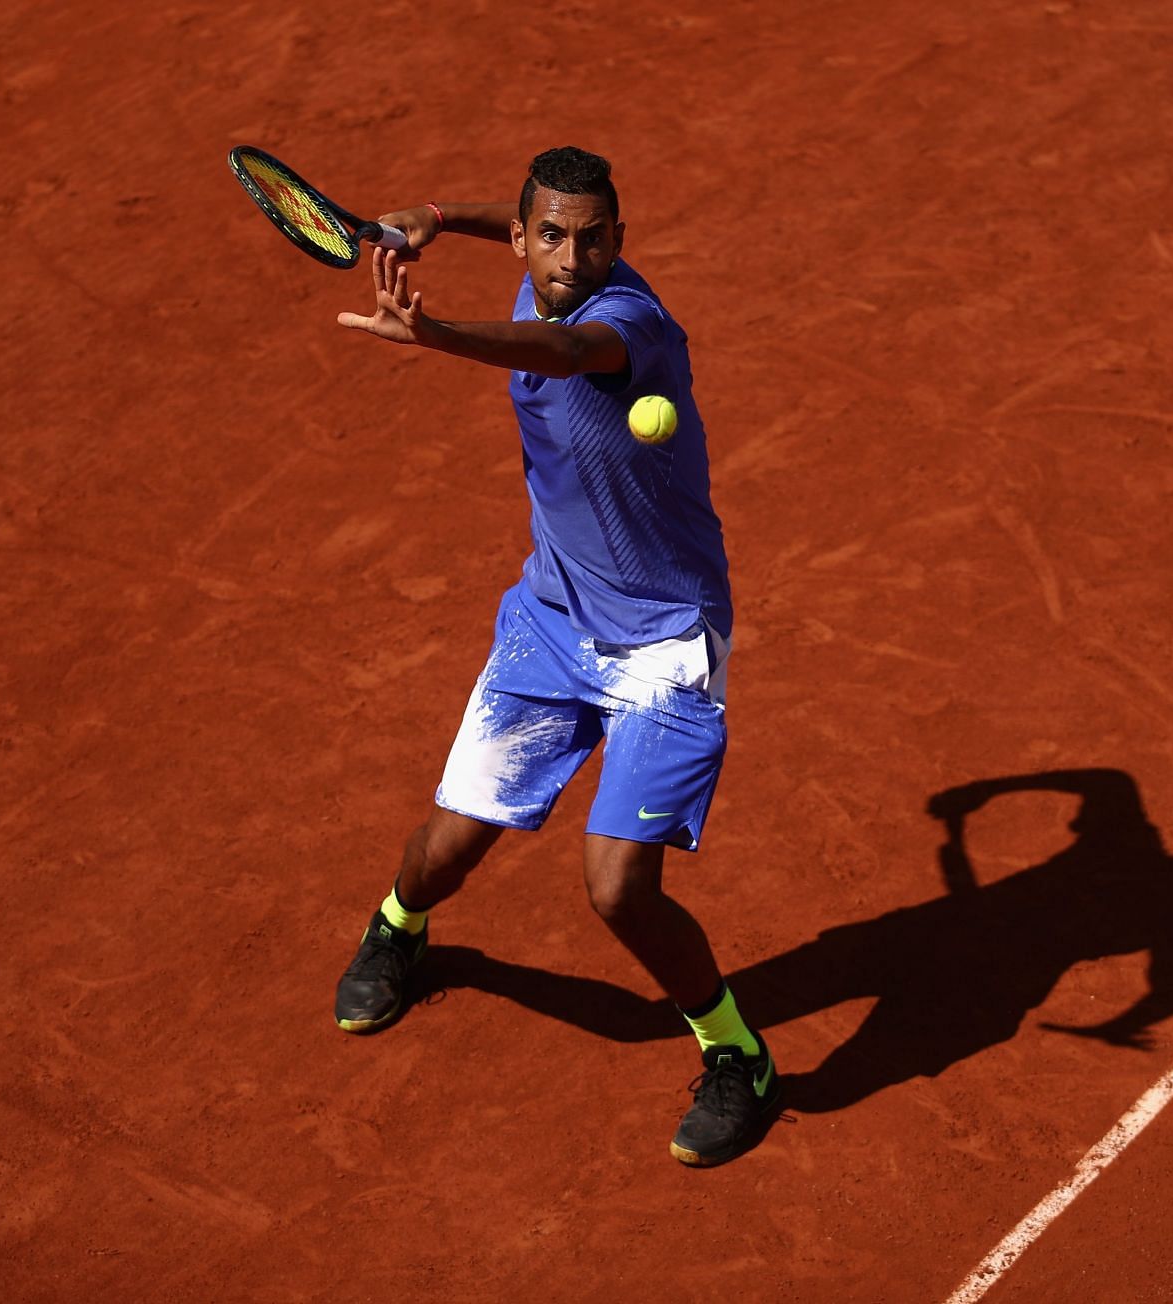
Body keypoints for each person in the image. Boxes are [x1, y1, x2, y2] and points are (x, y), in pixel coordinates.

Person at [328, 146, 775, 1166]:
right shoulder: (540, 250)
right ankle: (400, 927)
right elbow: (523, 232)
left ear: (619, 243)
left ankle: (737, 1053)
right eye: (552, 235)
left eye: (596, 237)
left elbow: (565, 353)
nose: (574, 255)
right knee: (447, 845)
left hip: (663, 643)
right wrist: (438, 213)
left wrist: (433, 332)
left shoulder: (630, 324)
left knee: (618, 886)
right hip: (552, 618)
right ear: (528, 236)